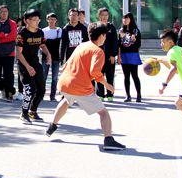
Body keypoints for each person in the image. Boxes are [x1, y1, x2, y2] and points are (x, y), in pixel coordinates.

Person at [45, 22, 126, 151]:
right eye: (105, 35)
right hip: (80, 87)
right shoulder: (98, 51)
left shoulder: (81, 45)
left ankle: (52, 125)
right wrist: (107, 85)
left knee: (67, 100)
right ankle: (108, 140)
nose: (105, 38)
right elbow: (95, 72)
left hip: (65, 83)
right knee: (103, 113)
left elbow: (66, 64)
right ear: (101, 36)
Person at [16, 9, 51, 124]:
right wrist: (27, 67)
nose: (37, 22)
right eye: (34, 19)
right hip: (24, 65)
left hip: (36, 64)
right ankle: (24, 113)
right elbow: (18, 53)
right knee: (30, 90)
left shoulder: (40, 32)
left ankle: (33, 111)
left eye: (38, 19)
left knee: (41, 90)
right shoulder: (21, 34)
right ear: (27, 21)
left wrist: (48, 54)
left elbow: (43, 45)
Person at [0, 5, 18, 102]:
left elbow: (12, 36)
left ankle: (9, 95)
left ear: (8, 13)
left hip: (9, 54)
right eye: (2, 11)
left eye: (6, 11)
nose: (4, 13)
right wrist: (2, 35)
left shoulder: (12, 23)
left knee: (8, 75)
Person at [118, 12, 142, 102]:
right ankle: (128, 95)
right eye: (124, 18)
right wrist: (119, 56)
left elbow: (138, 44)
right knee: (126, 76)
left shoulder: (135, 30)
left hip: (133, 55)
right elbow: (119, 45)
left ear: (131, 19)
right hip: (124, 55)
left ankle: (139, 95)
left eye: (127, 18)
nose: (125, 20)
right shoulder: (121, 31)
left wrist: (134, 40)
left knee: (135, 75)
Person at [95, 8, 118, 102]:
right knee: (99, 76)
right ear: (99, 16)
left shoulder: (111, 27)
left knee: (110, 76)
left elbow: (115, 42)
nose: (104, 17)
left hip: (109, 57)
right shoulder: (96, 27)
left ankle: (110, 94)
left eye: (106, 15)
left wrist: (113, 55)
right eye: (102, 15)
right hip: (98, 57)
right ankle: (100, 95)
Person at [42, 13, 62, 101]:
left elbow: (59, 43)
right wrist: (52, 42)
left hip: (56, 57)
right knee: (43, 76)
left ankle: (52, 96)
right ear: (47, 20)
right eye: (50, 19)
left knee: (54, 78)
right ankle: (41, 94)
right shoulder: (43, 31)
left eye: (53, 19)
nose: (52, 21)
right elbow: (42, 44)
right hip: (45, 56)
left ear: (56, 20)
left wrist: (49, 42)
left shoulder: (59, 30)